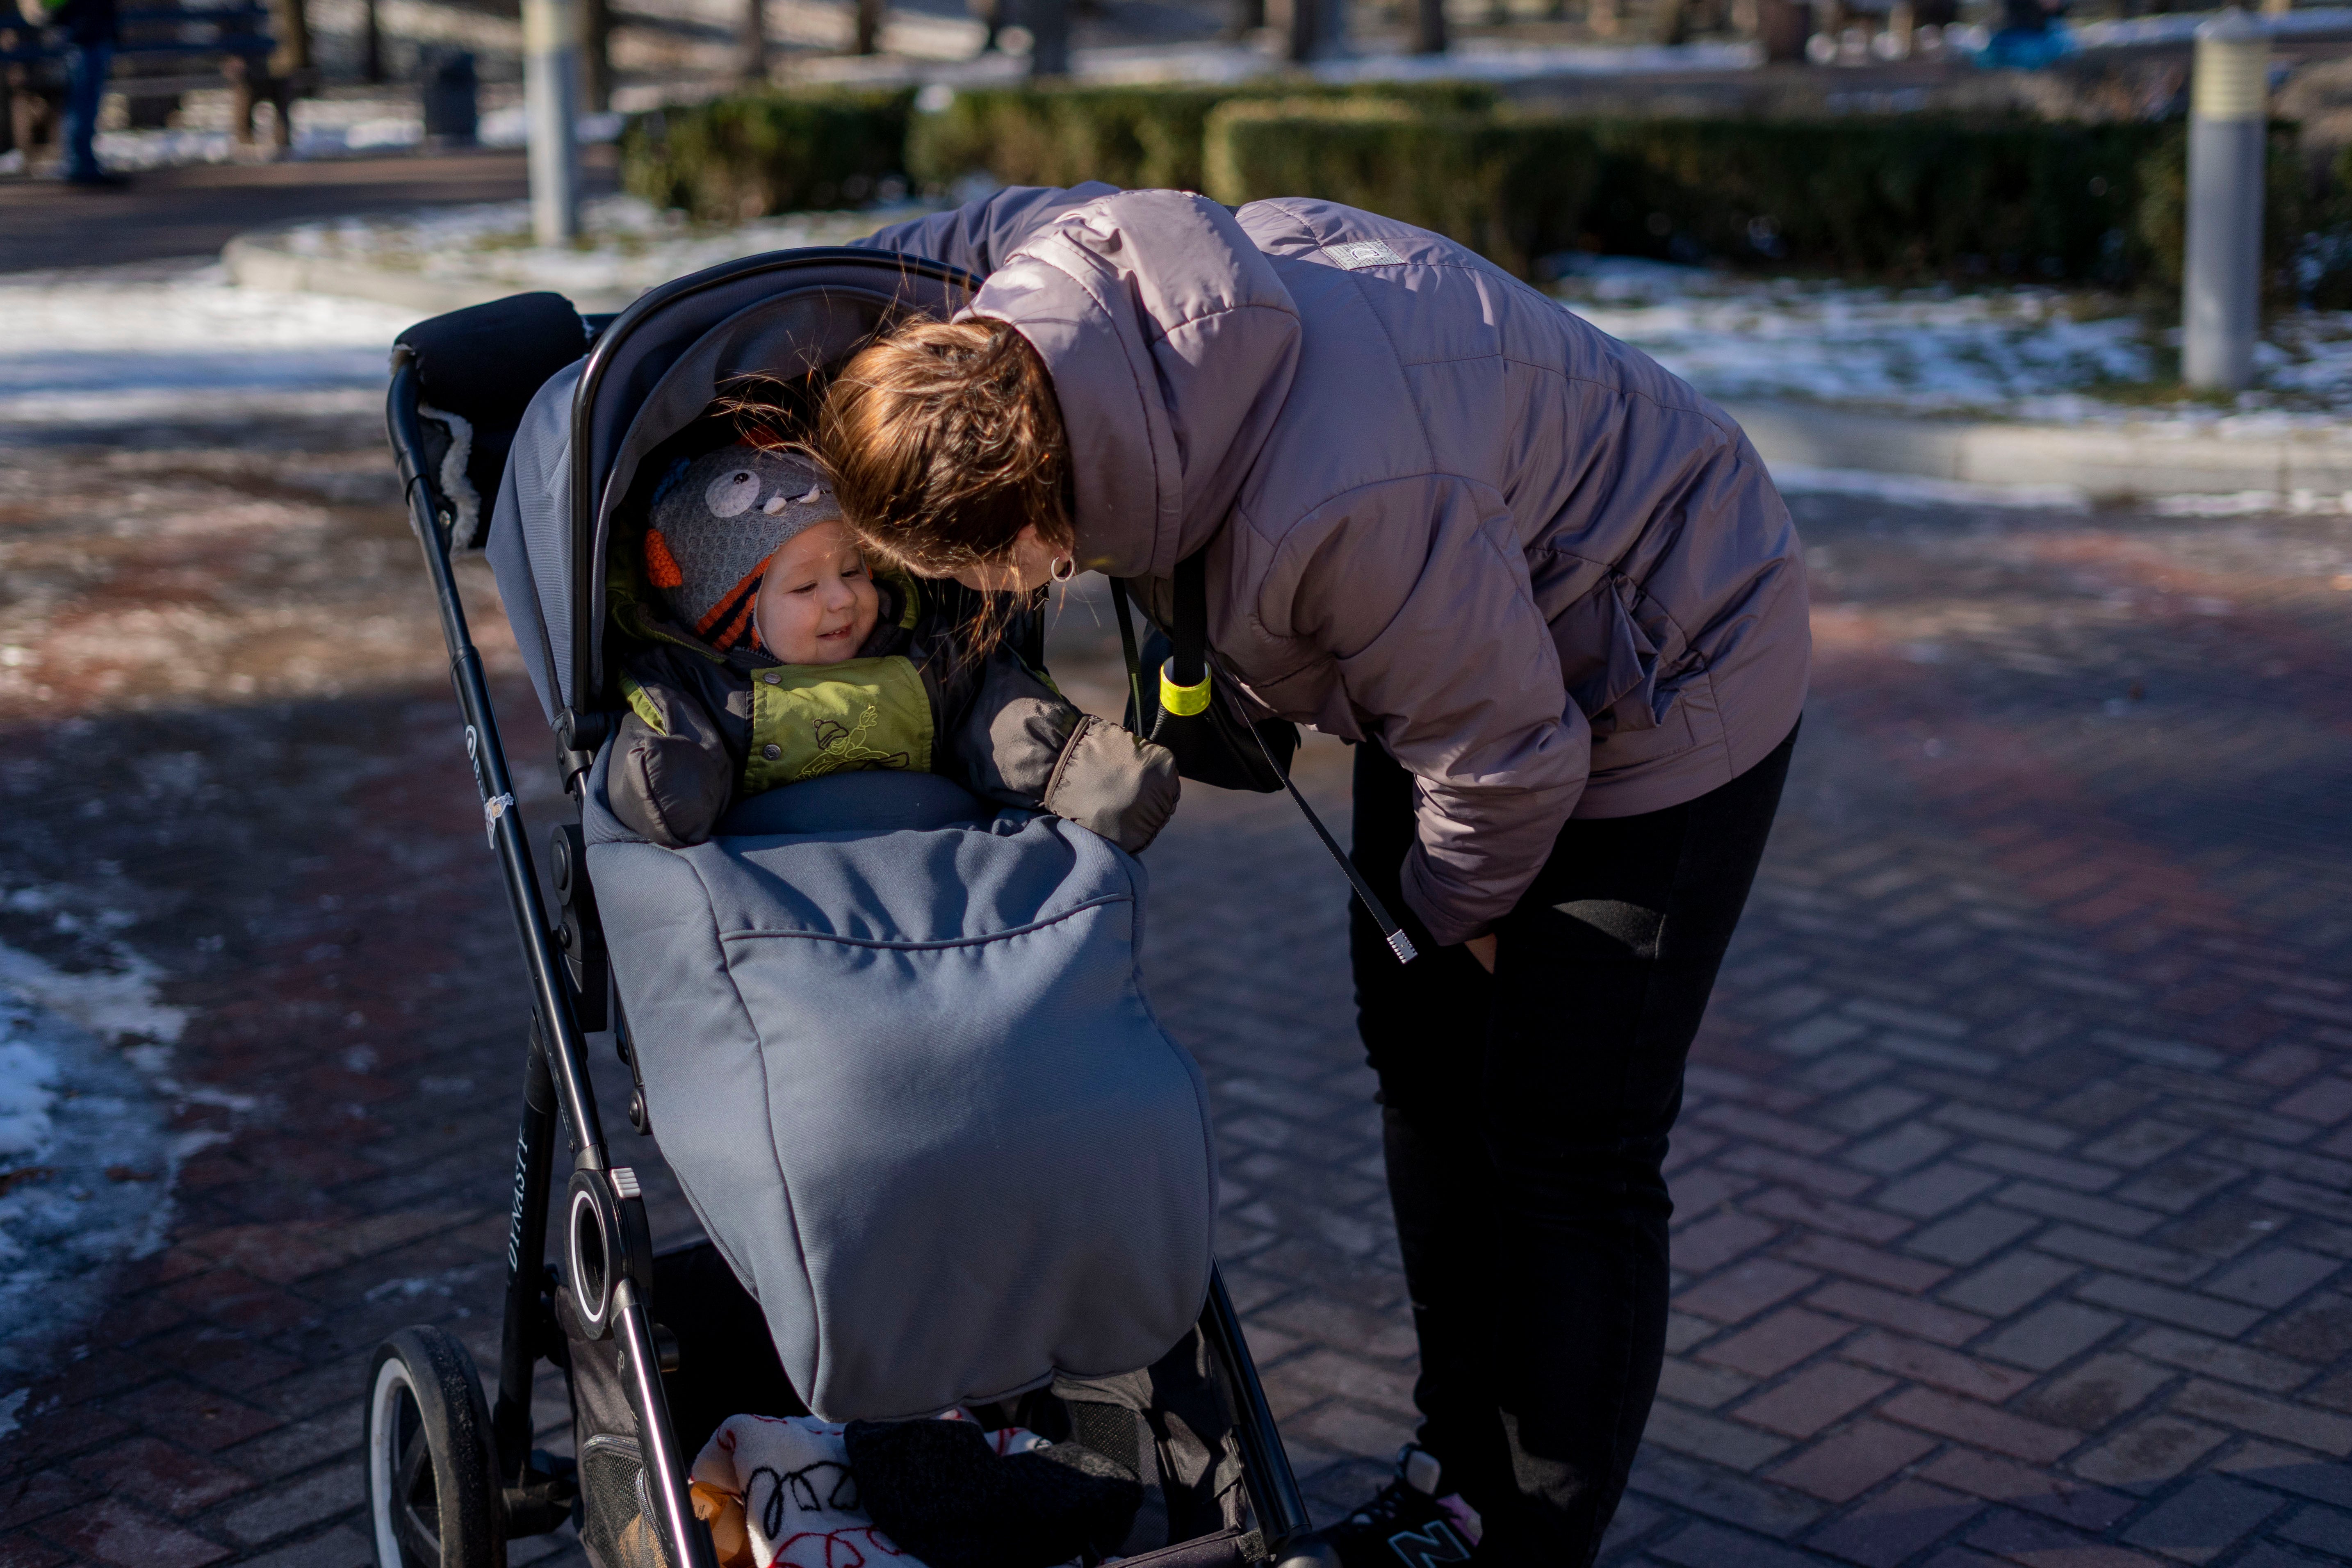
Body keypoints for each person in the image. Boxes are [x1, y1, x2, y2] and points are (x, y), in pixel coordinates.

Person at [826, 185, 1810, 1567]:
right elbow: (934, 237)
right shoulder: (1064, 279)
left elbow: (1508, 764)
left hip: (1666, 656)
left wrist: (1463, 917)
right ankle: (1450, 1467)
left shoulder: (1336, 513)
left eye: (973, 576)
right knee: (1425, 1061)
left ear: (1037, 533)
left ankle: (1524, 1540)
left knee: (1563, 1139)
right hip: (1471, 646)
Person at [608, 438, 1178, 853]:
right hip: (780, 881)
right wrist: (666, 785)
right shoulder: (703, 686)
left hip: (933, 860)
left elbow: (998, 717)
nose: (842, 599)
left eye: (853, 571)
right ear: (730, 619)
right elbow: (672, 756)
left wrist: (1088, 773)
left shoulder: (921, 651)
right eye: (805, 588)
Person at [42, 0, 126, 187]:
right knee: (82, 108)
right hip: (85, 40)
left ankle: (80, 165)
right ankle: (80, 166)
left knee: (83, 107)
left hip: (89, 38)